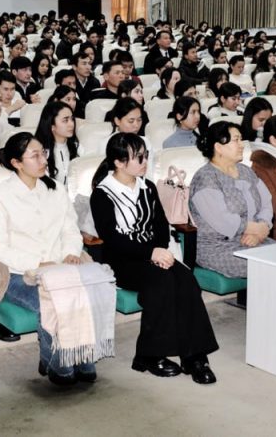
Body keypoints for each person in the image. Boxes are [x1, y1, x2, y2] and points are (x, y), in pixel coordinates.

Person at [91, 133, 218, 384]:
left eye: (145, 156)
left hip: (154, 254)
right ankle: (150, 354)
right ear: (118, 162)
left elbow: (160, 224)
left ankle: (194, 355)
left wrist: (159, 251)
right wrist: (150, 254)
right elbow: (112, 239)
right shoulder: (103, 194)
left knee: (186, 280)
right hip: (122, 261)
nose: (144, 162)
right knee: (162, 283)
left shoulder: (147, 186)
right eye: (138, 157)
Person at [0, 132, 100, 385]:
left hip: (61, 267)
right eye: (35, 155)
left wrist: (71, 252)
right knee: (54, 304)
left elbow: (71, 229)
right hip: (19, 273)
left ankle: (80, 357)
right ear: (16, 163)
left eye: (44, 153)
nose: (43, 160)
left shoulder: (55, 188)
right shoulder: (1, 195)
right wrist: (37, 263)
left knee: (85, 295)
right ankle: (59, 366)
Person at [188, 122, 275, 278]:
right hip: (218, 247)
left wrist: (261, 229)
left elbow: (266, 202)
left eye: (241, 139)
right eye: (236, 140)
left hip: (252, 239)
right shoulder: (205, 178)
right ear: (219, 147)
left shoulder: (246, 171)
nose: (242, 145)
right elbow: (223, 221)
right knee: (271, 264)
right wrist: (258, 229)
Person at [34, 101, 81, 184]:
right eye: (65, 120)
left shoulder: (77, 147)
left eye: (72, 119)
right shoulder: (39, 152)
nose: (71, 124)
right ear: (52, 126)